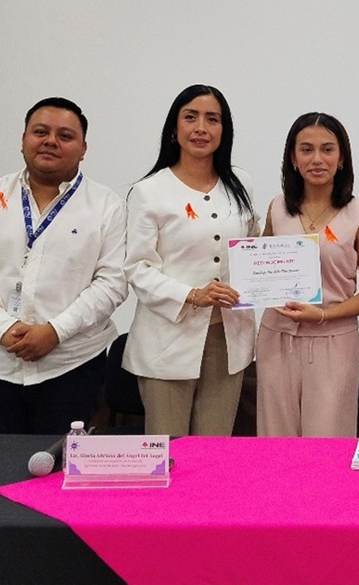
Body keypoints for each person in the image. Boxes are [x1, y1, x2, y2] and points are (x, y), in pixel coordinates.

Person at [0, 97, 127, 434]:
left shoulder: (107, 207)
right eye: (40, 131)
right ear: (23, 140)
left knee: (60, 473)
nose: (50, 141)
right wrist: (2, 327)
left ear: (83, 147)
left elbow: (112, 284)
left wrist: (54, 332)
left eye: (65, 136)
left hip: (71, 363)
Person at [122, 84, 259, 436]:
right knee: (169, 450)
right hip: (167, 339)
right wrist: (191, 295)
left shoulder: (240, 183)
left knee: (213, 453)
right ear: (174, 128)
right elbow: (137, 267)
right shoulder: (148, 191)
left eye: (212, 119)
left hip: (229, 340)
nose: (201, 127)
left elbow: (252, 249)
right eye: (191, 117)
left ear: (223, 130)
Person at [256, 113, 359, 437]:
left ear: (341, 159)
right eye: (306, 149)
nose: (317, 159)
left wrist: (322, 313)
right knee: (275, 440)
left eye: (327, 149)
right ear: (293, 159)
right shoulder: (277, 208)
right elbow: (260, 268)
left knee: (327, 446)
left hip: (333, 341)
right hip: (276, 337)